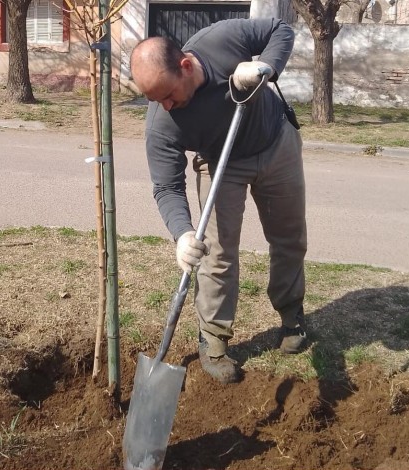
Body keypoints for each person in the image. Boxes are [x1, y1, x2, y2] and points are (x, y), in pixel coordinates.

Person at [129, 18, 307, 384]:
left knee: (288, 237)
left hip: (275, 141)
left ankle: (292, 316)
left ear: (186, 66)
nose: (164, 106)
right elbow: (166, 186)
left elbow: (281, 29)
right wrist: (181, 233)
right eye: (153, 99)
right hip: (222, 163)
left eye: (168, 95)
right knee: (216, 253)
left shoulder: (221, 39)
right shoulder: (161, 124)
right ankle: (213, 342)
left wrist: (264, 68)